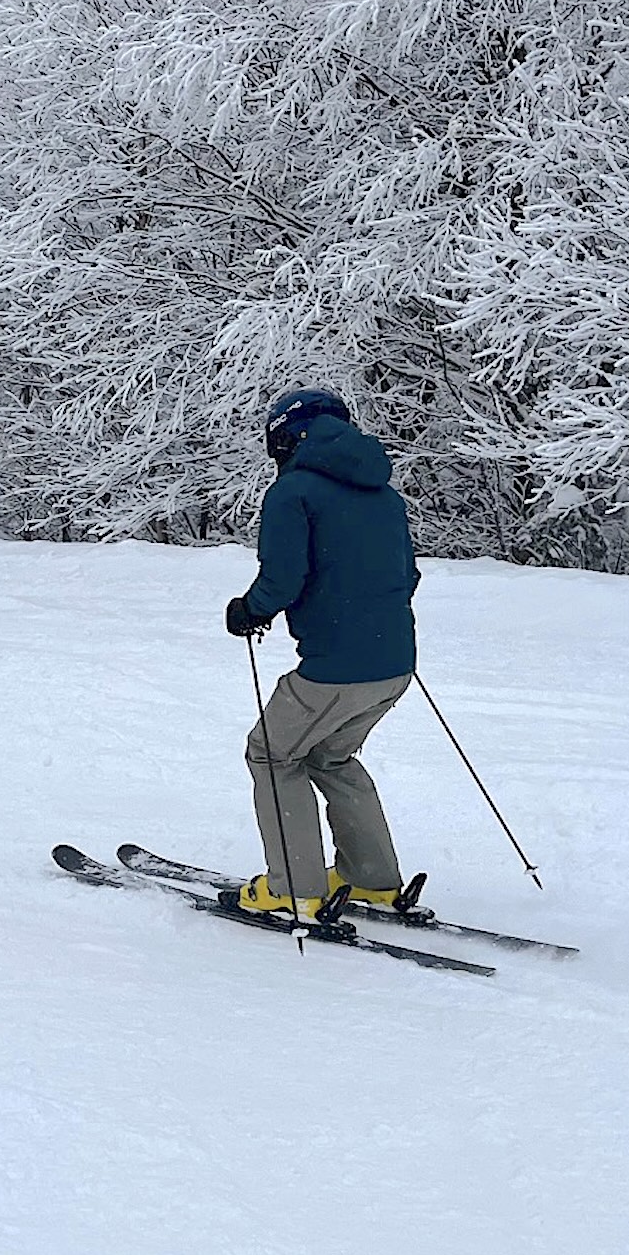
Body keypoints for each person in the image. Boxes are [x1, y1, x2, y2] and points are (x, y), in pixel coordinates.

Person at [223, 388, 426, 922]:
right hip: (396, 666)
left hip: (333, 670)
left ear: (287, 437)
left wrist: (250, 610)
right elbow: (408, 576)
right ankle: (373, 879)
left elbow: (283, 579)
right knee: (330, 755)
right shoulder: (385, 496)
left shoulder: (294, 493)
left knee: (270, 752)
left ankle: (294, 887)